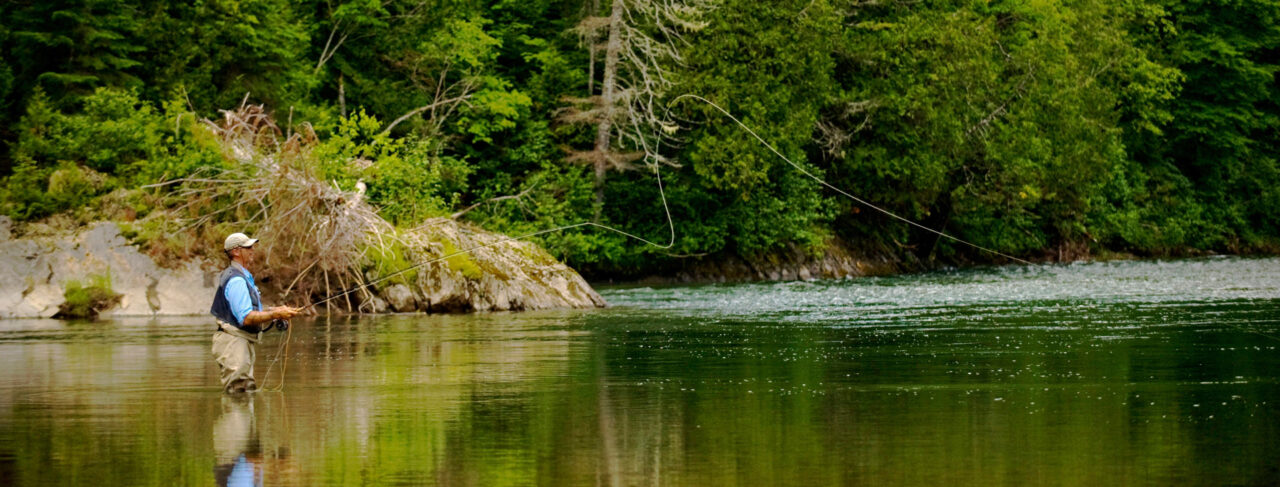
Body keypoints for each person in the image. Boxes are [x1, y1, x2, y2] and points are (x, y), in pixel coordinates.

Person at [210, 232, 301, 393]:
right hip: (233, 342)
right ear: (237, 252)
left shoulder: (242, 276)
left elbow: (248, 311)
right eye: (249, 247)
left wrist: (276, 310)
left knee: (245, 390)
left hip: (239, 341)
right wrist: (275, 315)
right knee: (239, 390)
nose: (253, 250)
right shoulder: (236, 280)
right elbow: (246, 318)